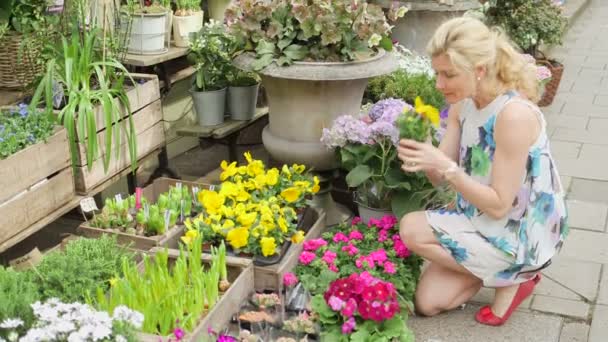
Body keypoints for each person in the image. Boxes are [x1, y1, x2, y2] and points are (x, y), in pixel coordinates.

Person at [397, 17, 568, 326]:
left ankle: (515, 275)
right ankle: (494, 273)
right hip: (477, 215)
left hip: (516, 232)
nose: (438, 84)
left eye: (448, 74)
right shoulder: (464, 104)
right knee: (428, 302)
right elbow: (440, 177)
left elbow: (501, 204)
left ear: (479, 70)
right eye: (437, 73)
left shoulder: (512, 115)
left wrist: (444, 166)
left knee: (411, 227)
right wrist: (424, 156)